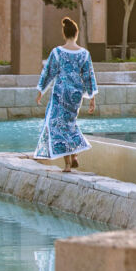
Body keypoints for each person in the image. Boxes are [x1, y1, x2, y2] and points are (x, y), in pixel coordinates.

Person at [34, 17, 98, 172]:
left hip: (60, 93)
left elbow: (48, 72)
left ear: (64, 34)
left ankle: (68, 163)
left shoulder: (57, 52)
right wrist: (92, 99)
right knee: (70, 124)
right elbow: (89, 76)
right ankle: (75, 154)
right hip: (75, 95)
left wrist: (40, 91)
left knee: (57, 126)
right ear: (76, 34)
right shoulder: (84, 54)